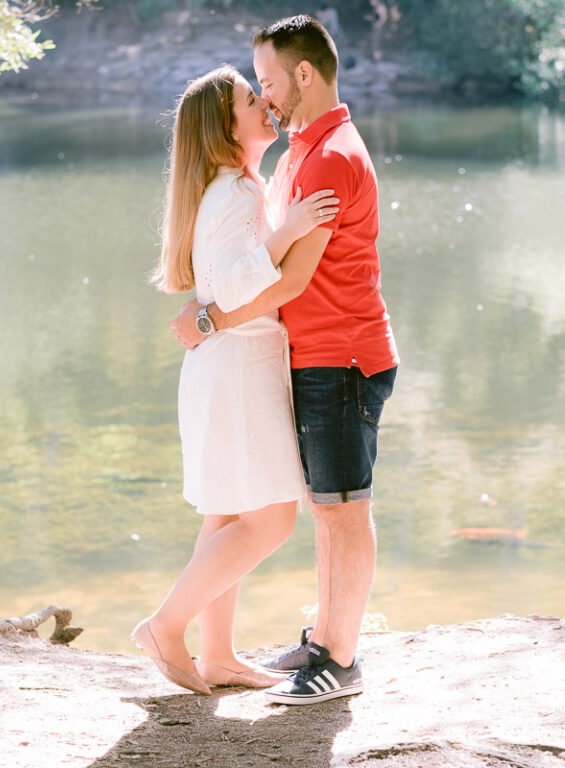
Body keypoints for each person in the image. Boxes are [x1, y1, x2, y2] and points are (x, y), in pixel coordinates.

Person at [170, 15, 399, 705]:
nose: (265, 96)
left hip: (342, 354)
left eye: (268, 81)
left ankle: (340, 657)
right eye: (256, 88)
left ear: (305, 75)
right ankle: (325, 637)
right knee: (325, 507)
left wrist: (209, 320)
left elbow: (292, 280)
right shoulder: (303, 148)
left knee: (340, 511)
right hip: (314, 356)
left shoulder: (329, 156)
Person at [131, 64, 340, 694]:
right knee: (273, 518)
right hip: (238, 364)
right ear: (227, 127)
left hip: (226, 364)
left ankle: (218, 654)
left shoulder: (232, 187)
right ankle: (166, 626)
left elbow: (223, 286)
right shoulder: (238, 194)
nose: (267, 107)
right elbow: (236, 285)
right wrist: (290, 230)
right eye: (254, 100)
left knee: (226, 516)